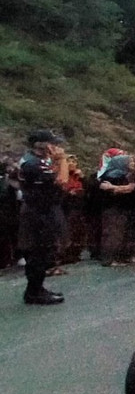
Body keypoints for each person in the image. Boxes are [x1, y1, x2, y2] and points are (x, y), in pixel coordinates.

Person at [18, 130, 69, 304]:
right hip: (38, 212)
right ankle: (33, 292)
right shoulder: (33, 164)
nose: (56, 147)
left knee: (44, 251)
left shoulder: (36, 161)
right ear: (41, 145)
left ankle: (37, 287)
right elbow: (62, 181)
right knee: (38, 252)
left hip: (41, 210)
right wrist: (62, 160)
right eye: (52, 143)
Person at [98, 154, 135, 267]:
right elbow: (105, 188)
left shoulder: (129, 176)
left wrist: (114, 187)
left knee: (125, 234)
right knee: (113, 234)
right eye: (129, 162)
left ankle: (122, 257)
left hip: (126, 209)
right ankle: (109, 258)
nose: (132, 164)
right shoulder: (110, 176)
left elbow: (131, 188)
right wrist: (118, 189)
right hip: (114, 209)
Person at [60, 155, 87, 267]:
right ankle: (65, 255)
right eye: (69, 161)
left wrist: (82, 178)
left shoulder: (78, 177)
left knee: (78, 231)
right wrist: (68, 193)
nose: (72, 164)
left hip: (78, 208)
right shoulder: (62, 177)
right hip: (66, 208)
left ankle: (76, 253)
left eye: (74, 161)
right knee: (68, 231)